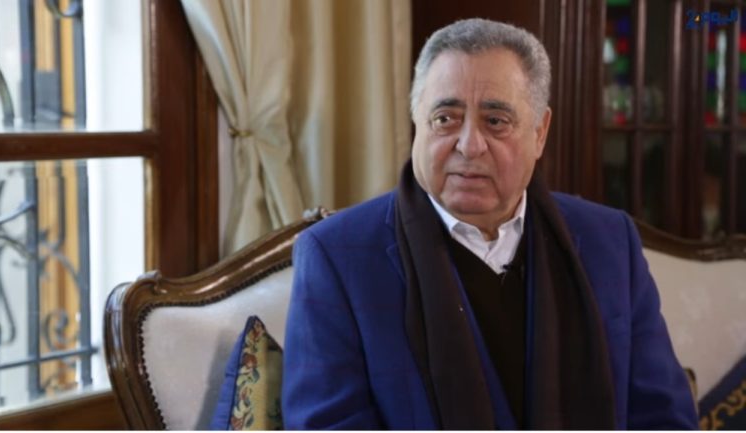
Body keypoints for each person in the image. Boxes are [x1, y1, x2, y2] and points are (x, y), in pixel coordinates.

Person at [281, 18, 698, 429]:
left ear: (540, 132)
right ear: (416, 121)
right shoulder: (338, 258)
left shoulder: (610, 242)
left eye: (495, 121)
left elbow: (664, 419)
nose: (469, 145)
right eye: (446, 118)